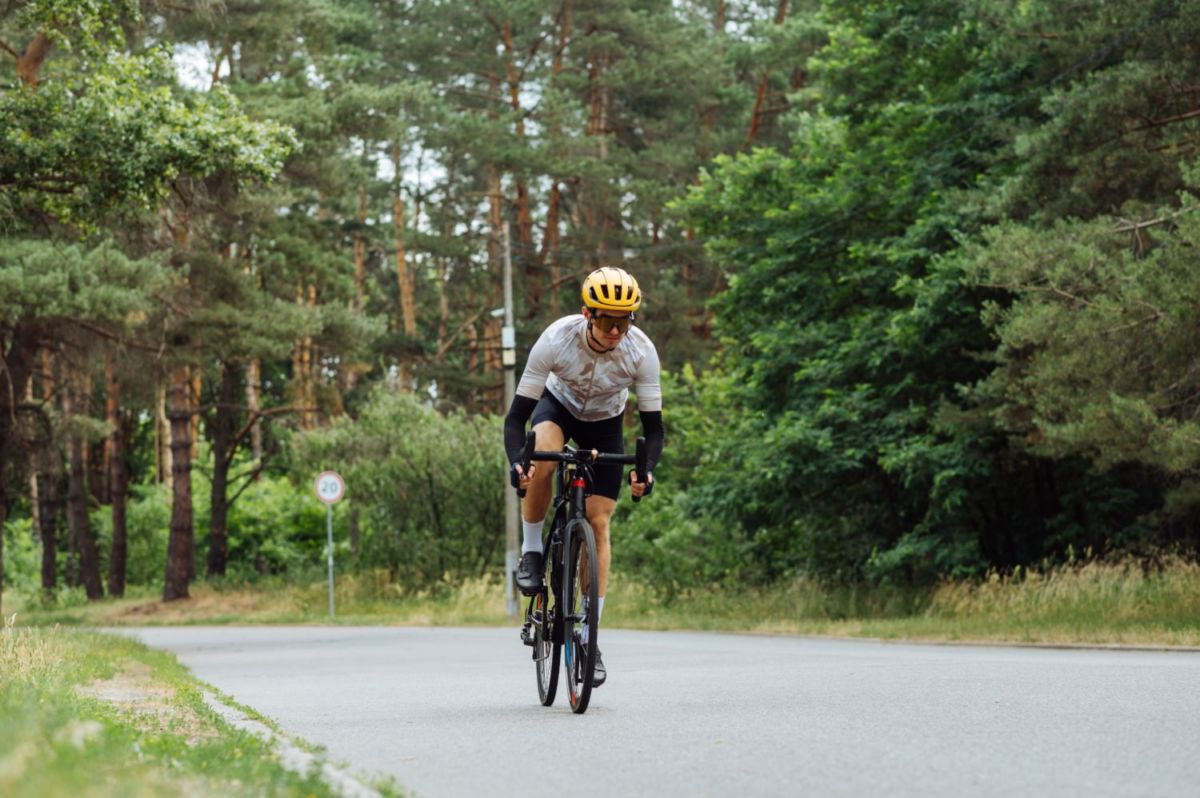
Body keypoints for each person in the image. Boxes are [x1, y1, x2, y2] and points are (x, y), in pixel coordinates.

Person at [503, 266, 664, 687]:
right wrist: (518, 462)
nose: (615, 332)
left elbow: (654, 430)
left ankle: (590, 638)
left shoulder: (642, 352)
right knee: (543, 455)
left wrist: (645, 471)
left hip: (606, 421)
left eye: (624, 321)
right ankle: (533, 550)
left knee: (599, 522)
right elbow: (516, 419)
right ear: (587, 314)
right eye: (607, 320)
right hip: (558, 406)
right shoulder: (556, 339)